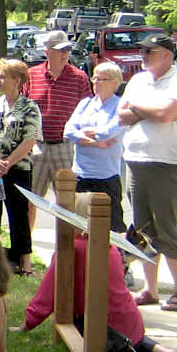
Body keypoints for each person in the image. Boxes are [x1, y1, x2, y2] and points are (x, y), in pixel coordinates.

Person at [24, 193, 177, 352]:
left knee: (94, 325)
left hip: (98, 326)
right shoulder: (112, 249)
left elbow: (47, 295)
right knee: (132, 337)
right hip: (130, 322)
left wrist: (27, 324)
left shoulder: (71, 250)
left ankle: (138, 351)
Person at [117, 32, 177, 311]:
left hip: (167, 163)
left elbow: (166, 114)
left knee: (167, 226)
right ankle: (150, 290)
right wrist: (147, 110)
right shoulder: (139, 80)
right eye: (142, 51)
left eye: (149, 52)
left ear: (167, 54)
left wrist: (137, 108)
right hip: (136, 160)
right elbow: (121, 114)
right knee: (142, 226)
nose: (143, 56)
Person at [0, 57, 41, 275]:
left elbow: (30, 140)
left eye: (3, 76)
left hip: (17, 170)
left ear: (17, 80)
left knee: (18, 215)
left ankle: (25, 262)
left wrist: (6, 164)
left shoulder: (29, 108)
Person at [26, 29, 92, 229]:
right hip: (35, 146)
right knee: (30, 200)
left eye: (67, 49)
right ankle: (24, 252)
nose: (65, 53)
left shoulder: (79, 78)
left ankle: (66, 252)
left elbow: (88, 111)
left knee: (67, 202)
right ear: (47, 51)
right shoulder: (31, 75)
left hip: (64, 147)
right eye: (59, 49)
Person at [63, 61, 127, 232]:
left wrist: (86, 133)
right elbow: (68, 131)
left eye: (101, 79)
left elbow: (108, 132)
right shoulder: (85, 103)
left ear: (115, 82)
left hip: (106, 176)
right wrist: (95, 142)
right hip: (81, 174)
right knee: (79, 227)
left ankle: (113, 259)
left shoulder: (121, 106)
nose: (95, 82)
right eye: (94, 78)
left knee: (111, 228)